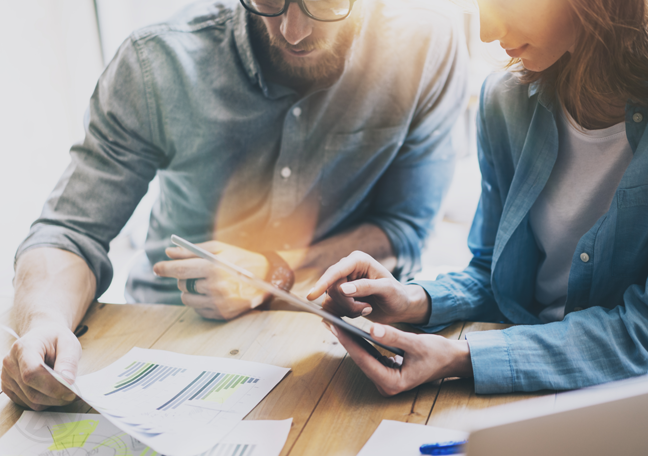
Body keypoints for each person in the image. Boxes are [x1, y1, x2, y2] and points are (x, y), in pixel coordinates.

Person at [3, 0, 469, 409]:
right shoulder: (157, 61)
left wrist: (272, 273)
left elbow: (404, 227)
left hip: (328, 337)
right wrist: (44, 319)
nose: (293, 30)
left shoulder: (428, 43)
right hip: (169, 333)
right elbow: (69, 231)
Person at [309, 0, 648, 396]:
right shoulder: (505, 102)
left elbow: (640, 333)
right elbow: (497, 274)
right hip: (521, 385)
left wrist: (462, 357)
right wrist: (413, 299)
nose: (486, 31)